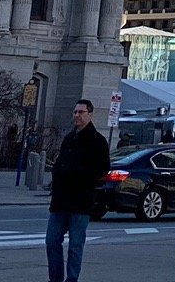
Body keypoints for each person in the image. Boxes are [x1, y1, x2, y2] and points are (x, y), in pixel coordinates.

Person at [46, 100, 110, 282]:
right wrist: (57, 174)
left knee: (75, 245)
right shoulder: (68, 139)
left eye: (81, 112)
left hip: (81, 201)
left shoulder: (97, 141)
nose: (76, 116)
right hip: (60, 201)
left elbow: (103, 169)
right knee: (51, 241)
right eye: (75, 112)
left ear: (90, 115)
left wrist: (81, 176)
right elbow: (60, 163)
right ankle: (55, 278)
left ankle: (72, 278)